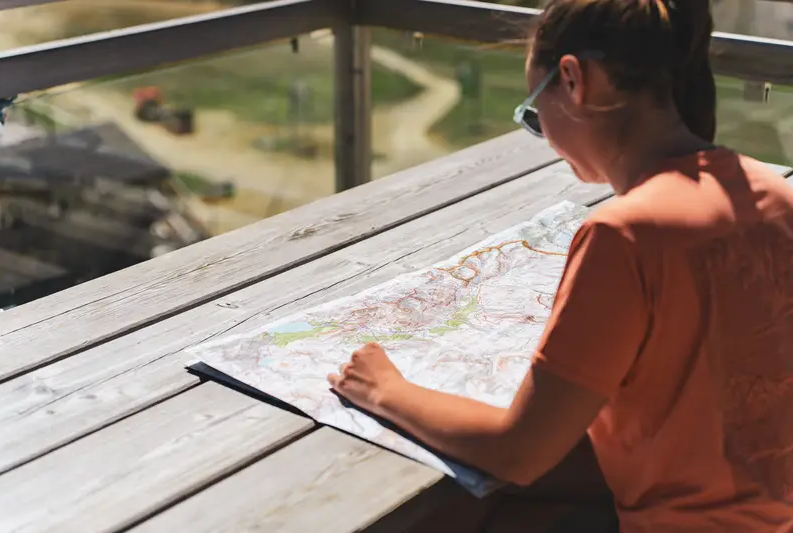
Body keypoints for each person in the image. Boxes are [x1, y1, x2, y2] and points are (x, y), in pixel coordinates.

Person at [328, 0, 793, 531]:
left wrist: (383, 387)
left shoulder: (624, 235)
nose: (544, 136)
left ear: (573, 81)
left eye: (534, 112)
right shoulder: (769, 192)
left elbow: (517, 452)